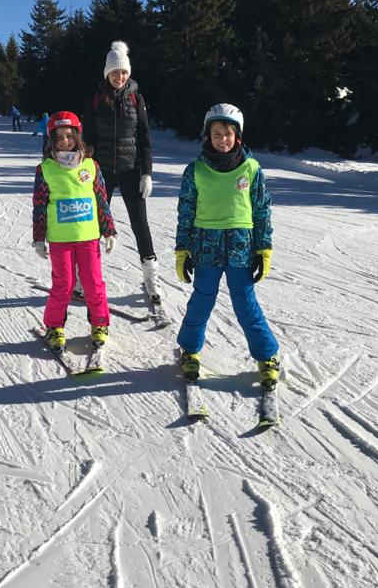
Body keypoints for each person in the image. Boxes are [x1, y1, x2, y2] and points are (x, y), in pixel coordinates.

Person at [174, 103, 280, 390]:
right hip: (206, 244)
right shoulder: (195, 170)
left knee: (245, 303)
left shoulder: (251, 168)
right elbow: (186, 212)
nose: (223, 139)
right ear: (207, 136)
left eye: (228, 134)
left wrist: (263, 249)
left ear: (238, 136)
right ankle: (190, 350)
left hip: (240, 246)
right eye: (217, 134)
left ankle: (267, 355)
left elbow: (262, 211)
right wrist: (183, 250)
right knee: (202, 299)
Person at [82, 41, 162, 305]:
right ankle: (84, 278)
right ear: (107, 73)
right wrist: (83, 168)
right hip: (102, 172)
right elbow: (88, 137)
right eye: (115, 72)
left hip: (131, 170)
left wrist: (146, 172)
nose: (120, 77)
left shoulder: (136, 98)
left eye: (124, 72)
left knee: (140, 223)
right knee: (93, 224)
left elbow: (144, 138)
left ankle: (151, 277)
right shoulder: (95, 99)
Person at [32, 111, 116, 350]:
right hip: (61, 239)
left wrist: (109, 230)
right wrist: (39, 238)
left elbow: (101, 200)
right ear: (51, 140)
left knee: (93, 283)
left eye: (69, 136)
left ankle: (100, 323)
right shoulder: (46, 169)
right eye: (59, 137)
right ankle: (54, 326)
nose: (65, 141)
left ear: (78, 137)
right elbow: (39, 205)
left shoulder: (90, 165)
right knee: (64, 284)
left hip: (88, 237)